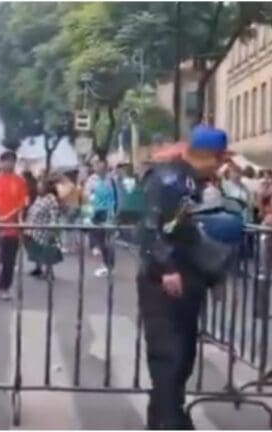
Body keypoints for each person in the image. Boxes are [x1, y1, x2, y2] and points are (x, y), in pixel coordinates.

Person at [136, 125, 244, 429]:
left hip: (187, 275)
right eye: (220, 159)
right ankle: (167, 421)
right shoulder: (170, 179)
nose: (221, 166)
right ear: (211, 156)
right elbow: (151, 227)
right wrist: (166, 268)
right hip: (166, 279)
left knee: (182, 354)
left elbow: (187, 230)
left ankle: (167, 417)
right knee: (168, 355)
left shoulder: (191, 181)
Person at [0, 151, 28, 299]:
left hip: (12, 228)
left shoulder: (20, 182)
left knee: (8, 260)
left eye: (11, 161)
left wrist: (12, 216)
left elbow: (22, 203)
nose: (8, 164)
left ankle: (5, 287)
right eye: (5, 161)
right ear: (0, 162)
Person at [24, 179, 62, 278]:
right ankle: (38, 268)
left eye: (40, 186)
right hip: (33, 228)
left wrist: (53, 229)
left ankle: (49, 271)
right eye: (38, 186)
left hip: (45, 229)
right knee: (35, 249)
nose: (38, 188)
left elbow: (55, 214)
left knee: (47, 250)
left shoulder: (51, 199)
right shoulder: (39, 198)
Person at [88, 159, 117, 277]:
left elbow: (114, 197)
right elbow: (90, 196)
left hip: (107, 212)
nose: (99, 169)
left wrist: (113, 212)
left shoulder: (110, 181)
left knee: (107, 240)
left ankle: (108, 265)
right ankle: (105, 264)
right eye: (97, 167)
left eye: (101, 167)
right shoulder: (94, 180)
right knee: (99, 237)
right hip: (96, 211)